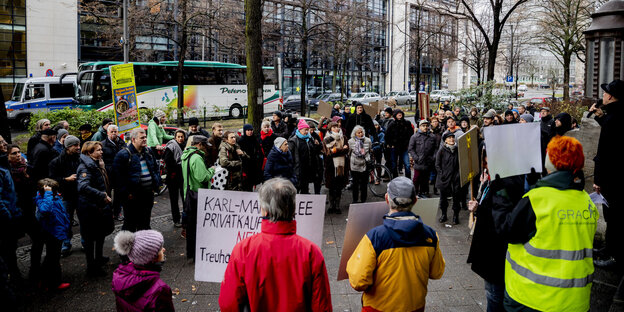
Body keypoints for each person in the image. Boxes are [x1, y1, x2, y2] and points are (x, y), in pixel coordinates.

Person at [493, 136, 597, 312]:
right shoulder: (586, 201)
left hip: (532, 298)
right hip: (575, 301)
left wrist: (500, 195)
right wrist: (537, 183)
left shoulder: (537, 199)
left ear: (550, 161)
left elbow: (507, 230)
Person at [219, 178, 332, 311]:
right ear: (293, 209)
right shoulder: (311, 252)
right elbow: (322, 307)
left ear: (264, 210)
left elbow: (228, 304)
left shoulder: (243, 250)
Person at [346, 177, 445, 312]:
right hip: (415, 307)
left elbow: (358, 281)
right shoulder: (431, 236)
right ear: (415, 200)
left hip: (378, 308)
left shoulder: (374, 238)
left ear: (387, 199)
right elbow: (436, 272)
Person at [467, 149, 525, 312]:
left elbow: (503, 218)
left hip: (496, 253)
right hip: (490, 250)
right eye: (484, 163)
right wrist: (478, 206)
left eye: (487, 162)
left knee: (494, 296)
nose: (485, 167)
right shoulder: (493, 181)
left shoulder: (507, 183)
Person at [591, 80, 624, 273]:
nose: (603, 95)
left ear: (610, 96)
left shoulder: (614, 118)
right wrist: (600, 117)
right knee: (613, 216)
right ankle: (609, 249)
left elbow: (605, 153)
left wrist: (598, 180)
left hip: (613, 179)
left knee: (614, 217)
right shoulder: (615, 115)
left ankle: (615, 256)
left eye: (605, 93)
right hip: (617, 177)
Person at [112, 230, 174, 312]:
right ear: (152, 258)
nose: (164, 249)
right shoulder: (160, 289)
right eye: (160, 249)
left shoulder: (120, 276)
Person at [113, 128, 161, 232]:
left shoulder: (148, 152)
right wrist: (127, 193)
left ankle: (143, 245)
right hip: (132, 196)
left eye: (145, 137)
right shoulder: (123, 155)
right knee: (130, 224)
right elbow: (118, 178)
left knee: (145, 222)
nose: (145, 139)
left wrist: (155, 185)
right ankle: (128, 246)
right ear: (133, 139)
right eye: (142, 138)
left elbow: (155, 169)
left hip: (148, 194)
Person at [77, 141, 114, 276]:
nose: (101, 152)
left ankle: (98, 258)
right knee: (90, 237)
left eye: (101, 149)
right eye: (98, 150)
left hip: (99, 206)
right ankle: (92, 267)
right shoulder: (85, 168)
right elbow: (83, 187)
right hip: (90, 208)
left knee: (100, 234)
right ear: (89, 153)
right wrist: (101, 195)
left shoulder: (97, 164)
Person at [33, 178, 71, 290]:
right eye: (52, 190)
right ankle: (53, 283)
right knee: (52, 259)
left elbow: (62, 212)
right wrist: (48, 194)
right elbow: (46, 210)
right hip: (52, 233)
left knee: (52, 258)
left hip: (58, 231)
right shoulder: (43, 199)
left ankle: (45, 281)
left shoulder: (54, 197)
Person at [182, 135, 215, 260]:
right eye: (206, 146)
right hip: (197, 195)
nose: (207, 149)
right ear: (200, 144)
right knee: (198, 226)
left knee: (191, 226)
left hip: (189, 194)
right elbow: (202, 177)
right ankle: (197, 254)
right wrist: (211, 170)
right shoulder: (196, 158)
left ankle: (191, 252)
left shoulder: (186, 155)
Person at [49, 135, 81, 257]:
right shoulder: (56, 162)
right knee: (66, 221)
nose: (78, 147)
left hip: (80, 194)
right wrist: (66, 179)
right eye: (75, 145)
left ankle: (84, 242)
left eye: (78, 145)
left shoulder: (80, 158)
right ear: (68, 147)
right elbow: (52, 180)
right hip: (66, 195)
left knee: (83, 219)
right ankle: (66, 244)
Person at [0, 166, 22, 284]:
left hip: (12, 213)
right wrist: (8, 215)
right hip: (7, 219)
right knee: (7, 251)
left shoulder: (4, 169)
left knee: (11, 250)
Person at [288, 119, 322, 194]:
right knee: (295, 191)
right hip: (298, 170)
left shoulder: (310, 139)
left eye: (308, 130)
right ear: (299, 129)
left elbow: (314, 152)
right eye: (305, 130)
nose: (307, 132)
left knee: (305, 191)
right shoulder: (293, 141)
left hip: (308, 169)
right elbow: (290, 157)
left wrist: (317, 145)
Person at [322, 122, 349, 213]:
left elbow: (347, 150)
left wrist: (338, 150)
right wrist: (342, 149)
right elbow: (330, 152)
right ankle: (331, 206)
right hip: (330, 166)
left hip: (341, 166)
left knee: (339, 187)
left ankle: (337, 206)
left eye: (337, 127)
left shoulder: (344, 137)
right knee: (331, 187)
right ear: (330, 129)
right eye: (334, 127)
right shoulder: (327, 138)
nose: (336, 128)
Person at [436, 132, 461, 225]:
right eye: (449, 138)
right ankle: (444, 215)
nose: (451, 139)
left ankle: (455, 216)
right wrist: (441, 174)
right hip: (444, 178)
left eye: (452, 138)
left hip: (455, 178)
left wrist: (458, 174)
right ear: (445, 140)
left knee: (456, 197)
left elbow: (461, 163)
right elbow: (437, 164)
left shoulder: (458, 150)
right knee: (443, 198)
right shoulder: (442, 150)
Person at [101, 124, 126, 220]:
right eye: (112, 132)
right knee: (107, 193)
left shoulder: (122, 143)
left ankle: (117, 212)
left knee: (119, 193)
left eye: (115, 131)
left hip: (119, 172)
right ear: (108, 133)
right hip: (108, 172)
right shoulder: (103, 144)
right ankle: (107, 212)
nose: (114, 133)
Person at [163, 130, 186, 227]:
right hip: (173, 177)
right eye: (178, 137)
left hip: (182, 176)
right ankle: (176, 219)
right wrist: (179, 166)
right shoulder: (171, 146)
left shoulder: (185, 145)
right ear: (175, 137)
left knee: (185, 197)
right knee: (174, 199)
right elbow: (167, 161)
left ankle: (185, 218)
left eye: (182, 136)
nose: (180, 138)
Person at [408, 120, 436, 198]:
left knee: (425, 178)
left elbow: (436, 148)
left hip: (428, 161)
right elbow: (411, 148)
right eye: (423, 126)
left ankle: (423, 192)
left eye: (426, 126)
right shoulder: (415, 137)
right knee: (416, 178)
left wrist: (433, 157)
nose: (425, 127)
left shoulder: (432, 136)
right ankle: (415, 192)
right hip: (418, 161)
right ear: (419, 127)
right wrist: (416, 158)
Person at [348, 125, 372, 203]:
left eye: (361, 132)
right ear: (355, 134)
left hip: (365, 164)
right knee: (355, 184)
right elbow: (349, 153)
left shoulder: (368, 140)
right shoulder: (351, 141)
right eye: (358, 133)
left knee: (364, 185)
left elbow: (370, 150)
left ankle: (363, 200)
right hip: (355, 165)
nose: (360, 134)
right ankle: (355, 200)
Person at [386, 109, 413, 178]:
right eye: (398, 113)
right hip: (394, 147)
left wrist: (408, 144)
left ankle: (408, 180)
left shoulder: (407, 123)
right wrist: (390, 144)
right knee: (394, 164)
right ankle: (395, 180)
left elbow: (411, 134)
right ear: (395, 115)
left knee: (407, 165)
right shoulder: (392, 124)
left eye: (401, 113)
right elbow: (387, 135)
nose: (399, 114)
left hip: (404, 147)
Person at [237, 124, 264, 191]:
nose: (250, 132)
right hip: (246, 167)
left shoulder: (255, 139)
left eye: (251, 130)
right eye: (248, 130)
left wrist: (258, 159)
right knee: (247, 187)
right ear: (245, 131)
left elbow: (259, 151)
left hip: (255, 166)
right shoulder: (241, 141)